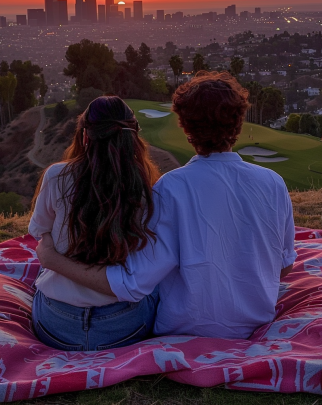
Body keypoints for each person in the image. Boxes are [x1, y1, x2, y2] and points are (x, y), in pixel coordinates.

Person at [36, 73, 297, 340]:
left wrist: (52, 259)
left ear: (185, 127)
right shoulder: (273, 183)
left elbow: (133, 283)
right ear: (239, 122)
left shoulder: (170, 188)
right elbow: (284, 266)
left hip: (186, 328)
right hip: (255, 323)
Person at [29, 96, 160, 351]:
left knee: (44, 274)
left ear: (86, 136)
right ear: (132, 137)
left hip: (56, 326)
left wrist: (51, 256)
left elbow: (40, 230)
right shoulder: (146, 187)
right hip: (124, 327)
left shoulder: (57, 175)